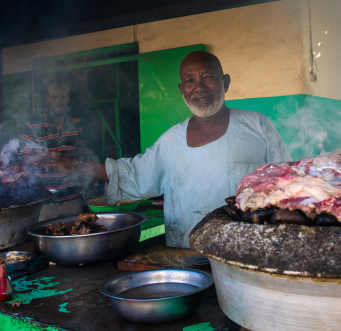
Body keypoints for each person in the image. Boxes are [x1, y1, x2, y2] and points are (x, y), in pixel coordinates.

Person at [87, 51, 292, 248]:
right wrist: (80, 168)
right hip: (187, 255)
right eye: (189, 80)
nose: (199, 87)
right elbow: (134, 175)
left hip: (247, 254)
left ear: (225, 82)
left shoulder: (258, 126)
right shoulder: (170, 141)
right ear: (181, 89)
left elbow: (289, 184)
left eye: (208, 77)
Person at [20, 78, 88, 221]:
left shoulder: (76, 123)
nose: (59, 101)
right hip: (46, 203)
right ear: (48, 99)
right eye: (54, 97)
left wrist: (69, 163)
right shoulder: (34, 125)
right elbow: (26, 163)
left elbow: (84, 157)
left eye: (63, 97)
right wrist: (40, 160)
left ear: (68, 98)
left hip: (73, 200)